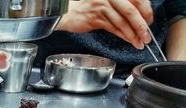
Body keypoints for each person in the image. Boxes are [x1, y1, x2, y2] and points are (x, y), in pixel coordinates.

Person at [33, 0, 186, 77]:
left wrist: (176, 76)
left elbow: (178, 11)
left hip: (141, 82)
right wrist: (61, 11)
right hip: (38, 75)